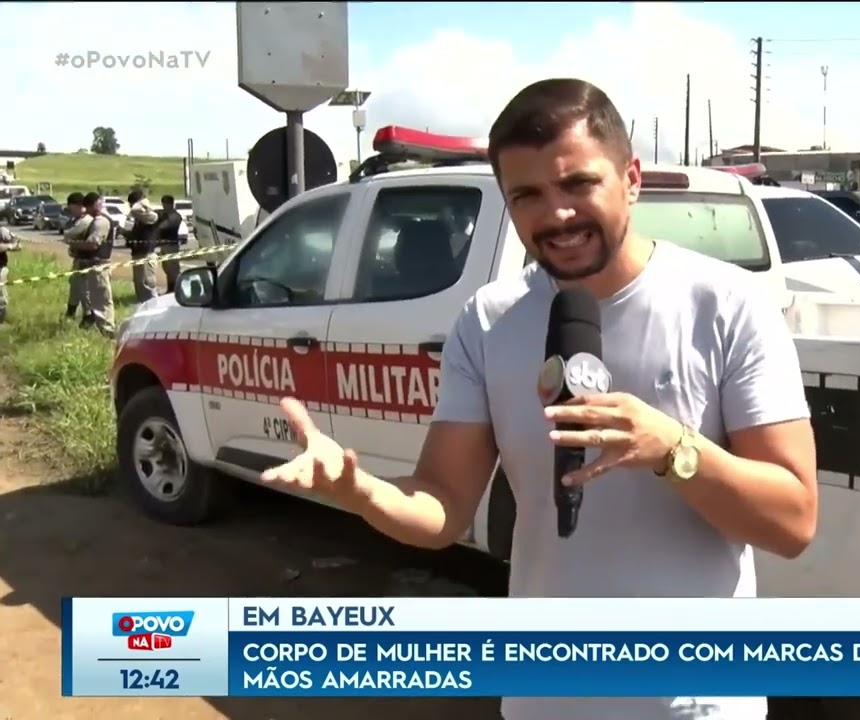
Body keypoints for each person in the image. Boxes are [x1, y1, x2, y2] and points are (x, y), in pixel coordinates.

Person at [260, 78, 817, 720]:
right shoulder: (490, 320)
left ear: (630, 178)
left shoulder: (725, 306)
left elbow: (794, 522)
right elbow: (442, 505)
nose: (555, 214)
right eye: (527, 195)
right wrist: (362, 493)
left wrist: (672, 449)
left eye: (578, 184)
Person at [64, 191, 115, 335]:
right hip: (93, 264)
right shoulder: (97, 220)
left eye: (88, 207)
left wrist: (74, 244)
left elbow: (93, 244)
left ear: (94, 205)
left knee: (101, 300)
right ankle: (102, 329)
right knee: (95, 299)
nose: (87, 211)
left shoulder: (101, 221)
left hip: (99, 265)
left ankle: (108, 332)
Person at [126, 189, 160, 303]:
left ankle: (155, 307)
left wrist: (142, 202)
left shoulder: (150, 216)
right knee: (139, 283)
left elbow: (135, 210)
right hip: (138, 253)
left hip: (146, 255)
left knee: (147, 283)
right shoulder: (139, 219)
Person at [62, 192, 89, 323]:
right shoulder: (78, 220)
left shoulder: (86, 220)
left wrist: (69, 239)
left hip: (86, 260)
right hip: (79, 259)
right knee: (75, 286)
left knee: (84, 290)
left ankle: (88, 317)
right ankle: (71, 313)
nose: (71, 211)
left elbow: (69, 235)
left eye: (71, 207)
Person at [154, 195, 185, 292]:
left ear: (171, 204)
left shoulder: (175, 216)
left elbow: (162, 227)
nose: (164, 207)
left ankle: (177, 289)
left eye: (166, 204)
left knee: (173, 270)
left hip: (171, 245)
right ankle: (170, 289)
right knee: (167, 269)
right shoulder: (165, 215)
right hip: (164, 245)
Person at [0, 225, 19, 324]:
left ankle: (1, 321)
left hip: (0, 268)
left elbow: (18, 245)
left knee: (1, 297)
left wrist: (10, 245)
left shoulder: (2, 231)